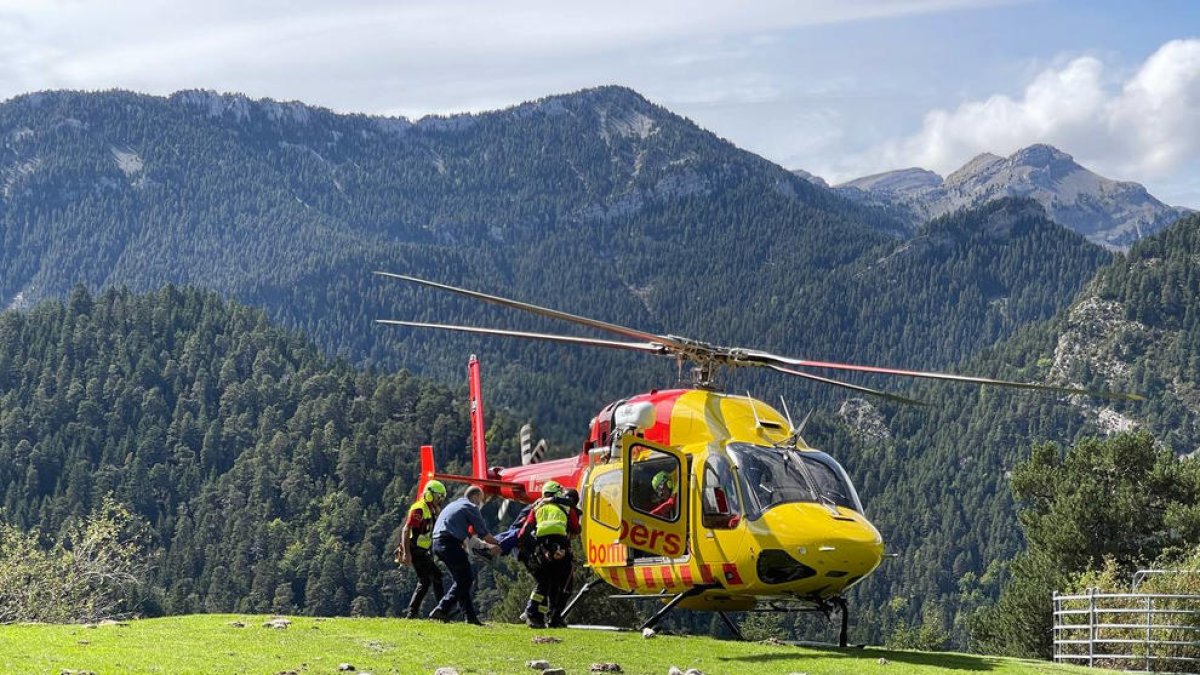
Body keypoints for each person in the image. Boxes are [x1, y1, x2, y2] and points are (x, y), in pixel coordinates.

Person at [429, 485, 500, 625]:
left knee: (461, 581)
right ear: (475, 497)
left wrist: (483, 546)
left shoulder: (454, 505)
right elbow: (483, 533)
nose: (481, 503)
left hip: (438, 543)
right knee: (466, 578)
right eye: (481, 499)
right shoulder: (470, 507)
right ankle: (442, 609)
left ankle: (470, 618)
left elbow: (469, 537)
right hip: (449, 543)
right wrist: (499, 544)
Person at [519, 481, 581, 628]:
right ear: (558, 492)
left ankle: (538, 616)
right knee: (565, 585)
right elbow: (576, 528)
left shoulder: (537, 507)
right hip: (561, 550)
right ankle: (552, 617)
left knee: (547, 584)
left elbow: (524, 531)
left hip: (542, 552)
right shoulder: (566, 507)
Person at [396, 479, 447, 619]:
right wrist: (406, 553)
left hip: (422, 550)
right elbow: (406, 530)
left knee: (425, 581)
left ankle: (412, 613)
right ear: (429, 495)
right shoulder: (419, 509)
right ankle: (442, 610)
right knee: (436, 576)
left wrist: (438, 513)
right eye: (438, 496)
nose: (440, 500)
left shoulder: (430, 509)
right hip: (415, 549)